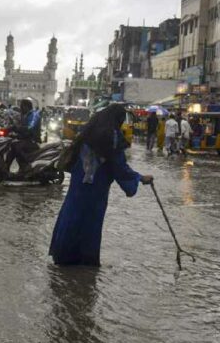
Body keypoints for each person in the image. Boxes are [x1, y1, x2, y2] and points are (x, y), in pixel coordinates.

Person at [49, 104, 154, 266]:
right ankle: (86, 262)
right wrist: (139, 178)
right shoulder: (111, 137)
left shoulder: (88, 133)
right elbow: (119, 167)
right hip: (95, 189)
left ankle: (63, 258)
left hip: (78, 186)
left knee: (71, 217)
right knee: (90, 224)